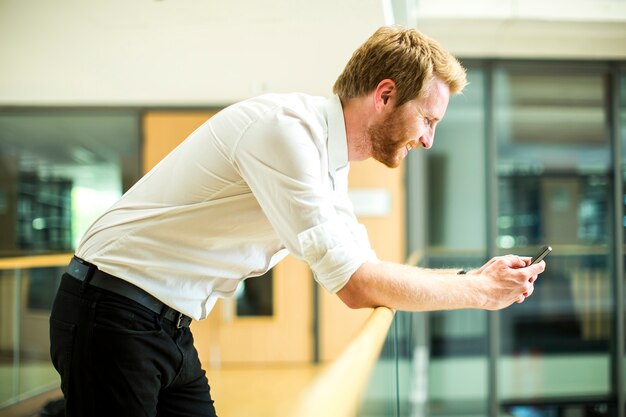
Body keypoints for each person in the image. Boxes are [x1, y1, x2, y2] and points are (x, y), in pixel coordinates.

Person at [49, 25, 545, 417]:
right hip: (112, 312)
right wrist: (481, 294)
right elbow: (355, 285)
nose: (428, 139)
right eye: (429, 119)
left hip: (164, 324)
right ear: (386, 94)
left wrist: (474, 277)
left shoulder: (330, 162)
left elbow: (367, 266)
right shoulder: (287, 134)